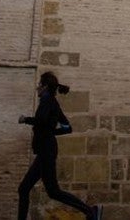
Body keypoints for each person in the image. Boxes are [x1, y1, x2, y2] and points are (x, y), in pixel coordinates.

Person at [16, 71, 101, 220]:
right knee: (43, 190)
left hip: (45, 151)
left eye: (39, 85)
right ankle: (90, 211)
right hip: (47, 149)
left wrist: (26, 120)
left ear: (44, 87)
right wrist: (51, 132)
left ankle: (90, 211)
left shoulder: (47, 100)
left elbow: (41, 120)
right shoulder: (53, 102)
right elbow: (67, 127)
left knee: (33, 189)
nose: (37, 88)